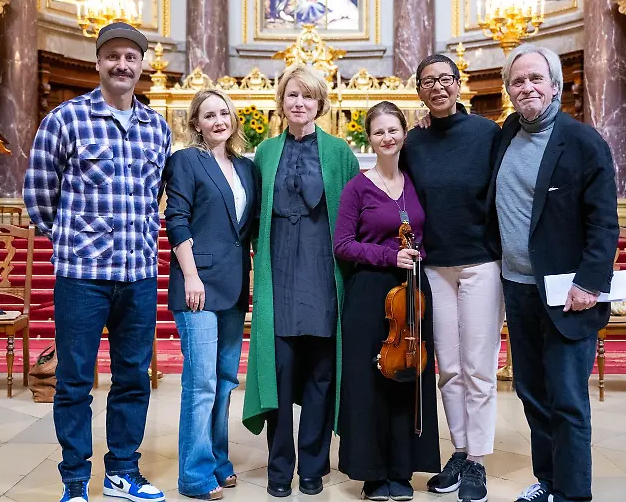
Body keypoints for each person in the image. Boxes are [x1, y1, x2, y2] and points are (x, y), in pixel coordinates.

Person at [23, 22, 170, 502]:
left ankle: (122, 472)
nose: (122, 65)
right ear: (98, 62)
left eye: (131, 57)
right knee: (74, 382)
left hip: (138, 275)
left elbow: (157, 197)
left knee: (132, 378)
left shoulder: (157, 128)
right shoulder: (65, 119)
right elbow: (39, 195)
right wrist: (72, 239)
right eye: (113, 57)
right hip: (83, 277)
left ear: (142, 65)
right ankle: (73, 480)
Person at [486, 44, 618, 502]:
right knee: (532, 393)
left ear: (556, 85)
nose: (527, 88)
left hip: (568, 292)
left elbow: (604, 221)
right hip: (519, 289)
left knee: (567, 399)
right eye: (518, 82)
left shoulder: (583, 142)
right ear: (508, 91)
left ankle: (573, 494)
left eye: (535, 79)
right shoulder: (506, 133)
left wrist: (589, 283)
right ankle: (549, 481)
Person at [241, 64, 361, 498]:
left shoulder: (340, 152)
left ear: (320, 104)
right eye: (292, 95)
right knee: (280, 374)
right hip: (280, 278)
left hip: (323, 277)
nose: (299, 103)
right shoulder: (266, 153)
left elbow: (353, 221)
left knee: (320, 377)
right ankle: (279, 469)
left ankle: (312, 466)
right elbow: (254, 218)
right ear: (281, 100)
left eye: (308, 97)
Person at [400, 54, 502, 502]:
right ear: (419, 90)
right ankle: (459, 449)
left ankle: (477, 460)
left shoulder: (487, 133)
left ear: (460, 86)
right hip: (435, 266)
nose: (438, 87)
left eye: (445, 79)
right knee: (449, 368)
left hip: (480, 261)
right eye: (428, 81)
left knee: (479, 367)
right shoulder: (413, 142)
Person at [334, 102, 440, 501]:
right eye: (379, 132)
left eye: (393, 130)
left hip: (411, 294)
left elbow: (421, 233)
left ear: (403, 133)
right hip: (370, 293)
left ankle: (402, 468)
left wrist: (417, 253)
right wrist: (387, 256)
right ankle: (373, 474)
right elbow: (342, 245)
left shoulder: (413, 182)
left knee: (408, 379)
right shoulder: (358, 188)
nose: (387, 138)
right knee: (370, 383)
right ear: (370, 138)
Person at [163, 89, 259, 500]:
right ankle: (194, 474)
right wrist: (191, 276)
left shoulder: (246, 168)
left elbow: (246, 231)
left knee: (223, 380)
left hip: (234, 286)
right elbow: (176, 220)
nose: (219, 120)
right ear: (196, 123)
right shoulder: (185, 161)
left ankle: (218, 460)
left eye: (224, 113)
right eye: (209, 115)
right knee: (200, 382)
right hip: (197, 285)